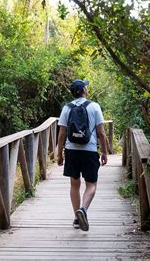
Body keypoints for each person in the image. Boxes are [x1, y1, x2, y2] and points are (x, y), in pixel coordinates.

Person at [57, 79, 108, 231]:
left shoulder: (67, 108)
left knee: (74, 184)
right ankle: (83, 210)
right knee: (91, 184)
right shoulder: (94, 106)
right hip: (89, 150)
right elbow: (101, 132)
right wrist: (104, 152)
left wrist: (59, 154)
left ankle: (76, 217)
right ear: (84, 90)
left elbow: (62, 133)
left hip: (71, 150)